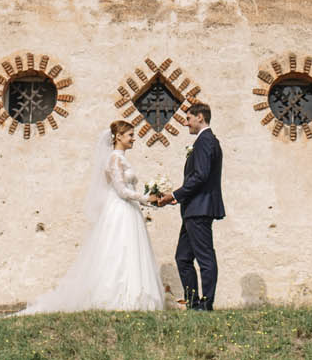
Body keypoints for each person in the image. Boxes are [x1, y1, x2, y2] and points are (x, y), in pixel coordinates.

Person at [20, 119, 165, 313]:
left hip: (130, 210)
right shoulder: (114, 159)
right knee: (119, 250)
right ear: (118, 136)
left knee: (131, 250)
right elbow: (121, 190)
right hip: (120, 209)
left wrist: (150, 198)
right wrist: (147, 198)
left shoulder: (122, 158)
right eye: (130, 135)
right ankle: (117, 297)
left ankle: (135, 296)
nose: (133, 139)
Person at [151, 101, 224, 310]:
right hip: (193, 208)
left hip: (200, 208)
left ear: (200, 117)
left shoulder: (205, 141)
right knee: (183, 258)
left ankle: (206, 303)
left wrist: (174, 194)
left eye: (189, 118)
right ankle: (192, 303)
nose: (186, 123)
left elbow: (200, 176)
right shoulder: (205, 141)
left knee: (205, 257)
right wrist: (178, 197)